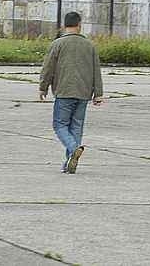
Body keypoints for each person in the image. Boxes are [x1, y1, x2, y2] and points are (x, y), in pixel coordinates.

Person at [39, 11, 104, 174]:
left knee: (59, 125)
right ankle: (69, 163)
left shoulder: (58, 44)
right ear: (79, 25)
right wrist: (98, 93)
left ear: (64, 25)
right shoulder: (89, 45)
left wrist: (43, 86)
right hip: (84, 92)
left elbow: (48, 67)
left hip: (64, 90)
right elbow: (96, 69)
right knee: (76, 127)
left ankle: (74, 148)